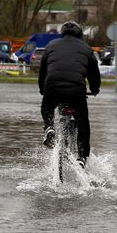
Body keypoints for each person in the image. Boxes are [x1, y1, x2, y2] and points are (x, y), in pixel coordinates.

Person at [38, 21, 101, 168]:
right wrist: (95, 88)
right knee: (83, 124)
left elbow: (42, 71)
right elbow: (94, 73)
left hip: (52, 88)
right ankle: (82, 157)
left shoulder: (51, 45)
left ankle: (49, 127)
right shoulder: (86, 48)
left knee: (47, 107)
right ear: (80, 35)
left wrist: (42, 89)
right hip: (76, 91)